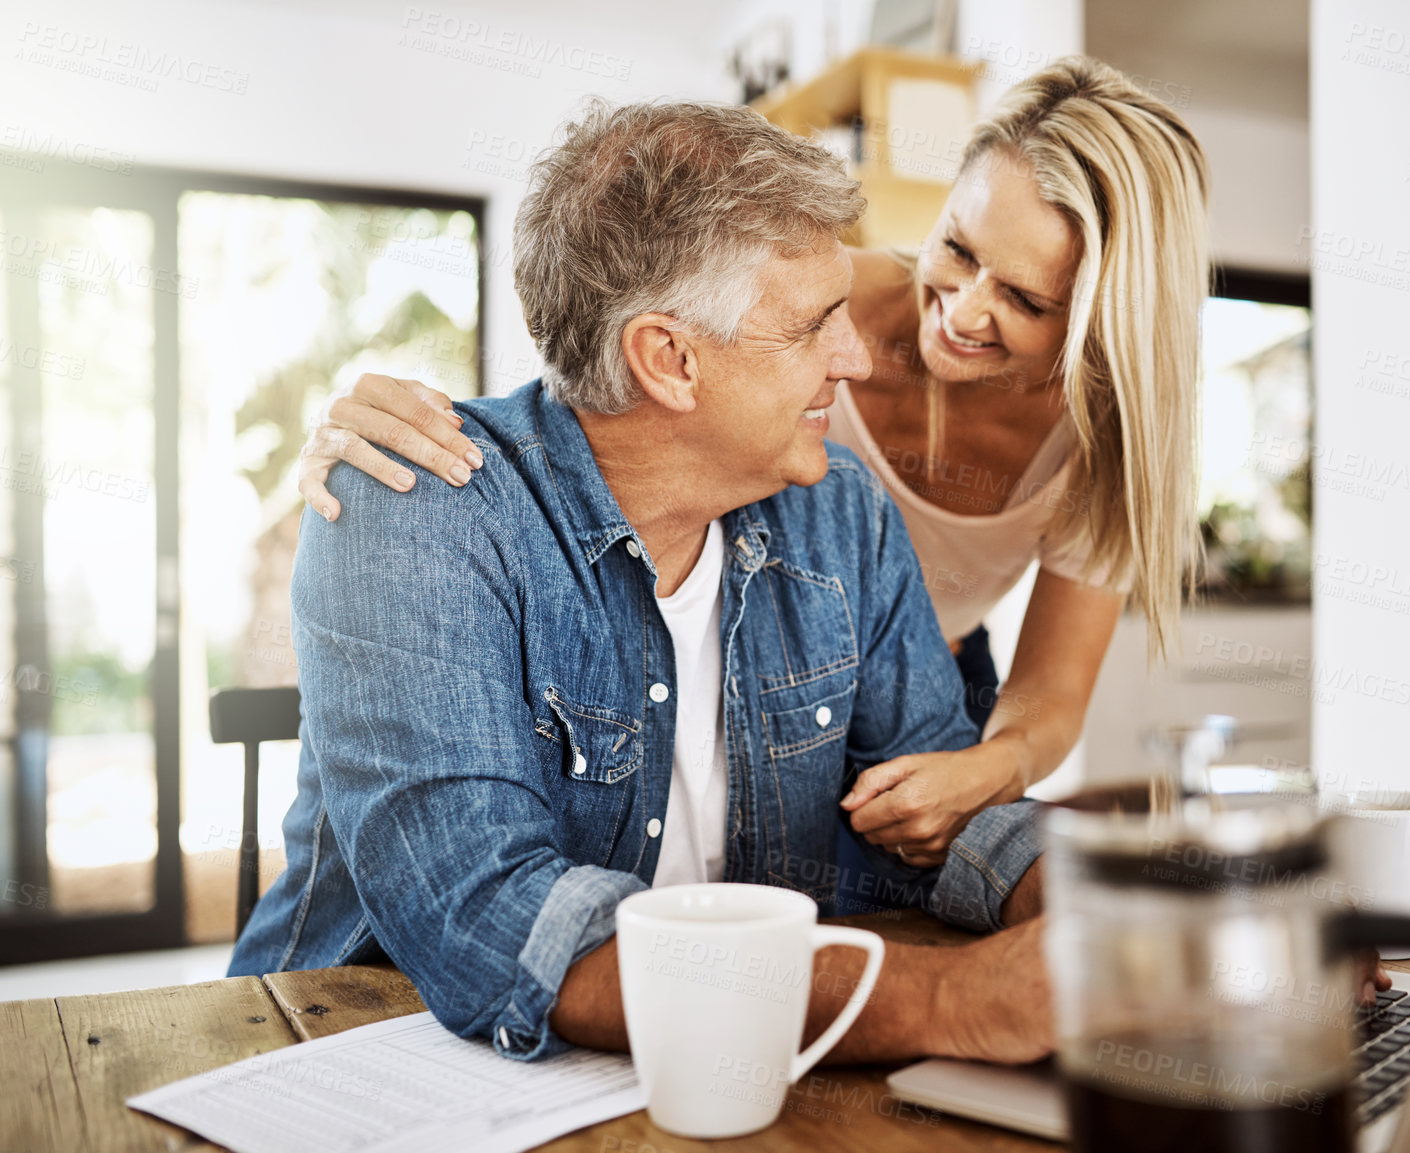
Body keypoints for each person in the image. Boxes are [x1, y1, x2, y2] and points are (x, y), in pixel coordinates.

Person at [229, 99, 1063, 1063]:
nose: (859, 356)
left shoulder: (842, 514)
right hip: (365, 1058)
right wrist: (949, 1001)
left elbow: (950, 811)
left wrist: (1106, 915)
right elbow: (497, 918)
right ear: (669, 358)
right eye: (813, 324)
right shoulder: (417, 510)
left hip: (709, 1066)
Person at [297, 58, 1211, 873]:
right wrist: (406, 447)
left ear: (1097, 321)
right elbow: (608, 366)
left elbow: (1044, 703)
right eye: (958, 249)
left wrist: (999, 781)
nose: (962, 310)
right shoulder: (804, 294)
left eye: (1023, 298)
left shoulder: (1090, 450)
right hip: (708, 625)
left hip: (904, 676)